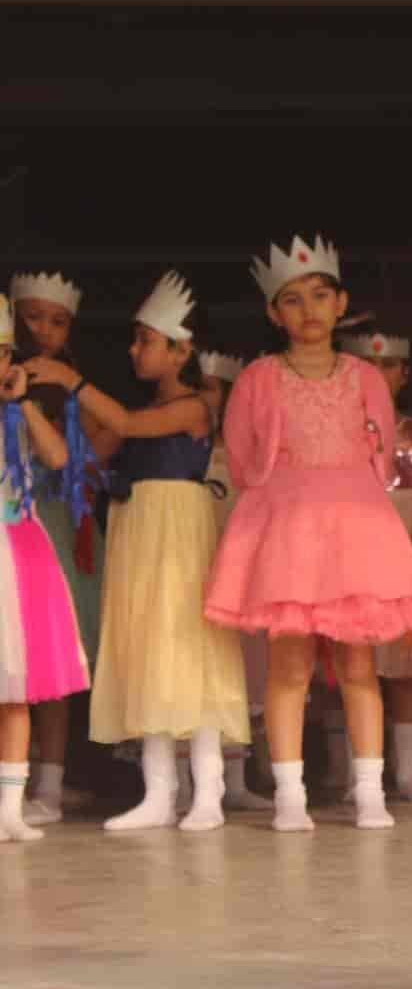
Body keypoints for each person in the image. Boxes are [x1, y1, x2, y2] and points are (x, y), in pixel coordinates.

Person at [203, 237, 412, 833]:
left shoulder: (364, 376)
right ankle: (290, 797)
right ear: (274, 313)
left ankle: (369, 792)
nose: (309, 310)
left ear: (341, 303)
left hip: (353, 528)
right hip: (290, 531)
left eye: (321, 296)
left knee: (358, 665)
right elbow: (243, 460)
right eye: (293, 300)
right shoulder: (258, 378)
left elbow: (382, 454)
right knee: (289, 666)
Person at [27, 274, 249, 832]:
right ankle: (159, 793)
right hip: (139, 530)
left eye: (145, 341)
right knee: (147, 647)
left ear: (181, 351)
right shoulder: (141, 409)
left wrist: (72, 380)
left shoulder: (195, 407)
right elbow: (91, 454)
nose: (133, 350)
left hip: (176, 530)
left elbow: (125, 423)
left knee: (188, 647)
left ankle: (208, 793)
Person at [338, 327, 412, 802]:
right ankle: (355, 776)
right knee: (353, 666)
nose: (379, 375)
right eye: (370, 366)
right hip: (352, 556)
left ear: (404, 374)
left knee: (403, 673)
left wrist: (404, 555)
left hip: (404, 558)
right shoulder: (338, 433)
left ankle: (405, 775)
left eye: (389, 366)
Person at [10, 270, 104, 824]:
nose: (44, 330)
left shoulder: (69, 388)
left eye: (58, 321)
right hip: (18, 521)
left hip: (56, 524)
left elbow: (102, 443)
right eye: (33, 317)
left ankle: (48, 782)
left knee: (51, 657)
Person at [199, 350, 272, 813]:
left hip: (239, 576)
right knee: (197, 674)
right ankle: (187, 785)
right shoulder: (185, 448)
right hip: (193, 572)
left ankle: (237, 781)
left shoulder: (251, 455)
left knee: (241, 676)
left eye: (213, 389)